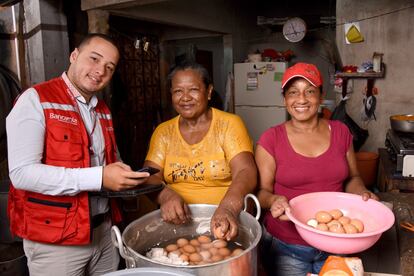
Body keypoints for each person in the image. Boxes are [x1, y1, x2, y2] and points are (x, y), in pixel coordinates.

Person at [6, 33, 151, 276]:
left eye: (109, 67)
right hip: (56, 240)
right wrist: (100, 177)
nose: (100, 70)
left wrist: (126, 177)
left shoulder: (102, 110)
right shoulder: (36, 99)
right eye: (94, 59)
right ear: (74, 55)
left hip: (103, 231)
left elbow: (111, 161)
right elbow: (22, 174)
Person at [255, 62, 378, 276]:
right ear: (285, 100)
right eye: (293, 93)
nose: (301, 99)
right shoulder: (271, 139)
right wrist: (274, 200)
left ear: (321, 97)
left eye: (309, 92)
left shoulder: (340, 132)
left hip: (337, 241)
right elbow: (262, 192)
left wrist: (362, 193)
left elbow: (353, 177)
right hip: (288, 246)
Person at [143, 61, 257, 240]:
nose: (185, 97)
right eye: (178, 91)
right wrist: (165, 195)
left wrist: (227, 208)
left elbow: (245, 171)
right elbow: (149, 175)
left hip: (224, 222)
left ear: (209, 91)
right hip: (176, 222)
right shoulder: (163, 132)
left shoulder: (229, 124)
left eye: (193, 90)